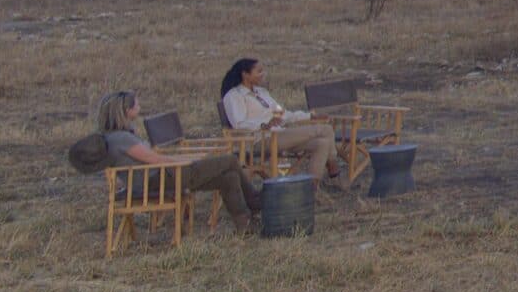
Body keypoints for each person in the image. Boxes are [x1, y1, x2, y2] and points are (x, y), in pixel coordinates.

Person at [96, 89, 258, 234]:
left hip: (159, 177)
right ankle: (255, 201)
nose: (139, 105)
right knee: (230, 160)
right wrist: (184, 162)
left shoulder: (117, 137)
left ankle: (245, 224)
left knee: (229, 177)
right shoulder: (122, 139)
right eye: (136, 104)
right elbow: (154, 159)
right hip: (159, 179)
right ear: (127, 110)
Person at [220, 57, 344, 186]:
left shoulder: (261, 92)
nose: (263, 74)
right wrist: (264, 125)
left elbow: (284, 114)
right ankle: (333, 166)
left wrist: (309, 117)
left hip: (279, 135)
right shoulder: (234, 96)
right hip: (258, 140)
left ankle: (311, 188)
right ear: (245, 74)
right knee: (325, 129)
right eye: (259, 71)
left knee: (322, 143)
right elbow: (238, 124)